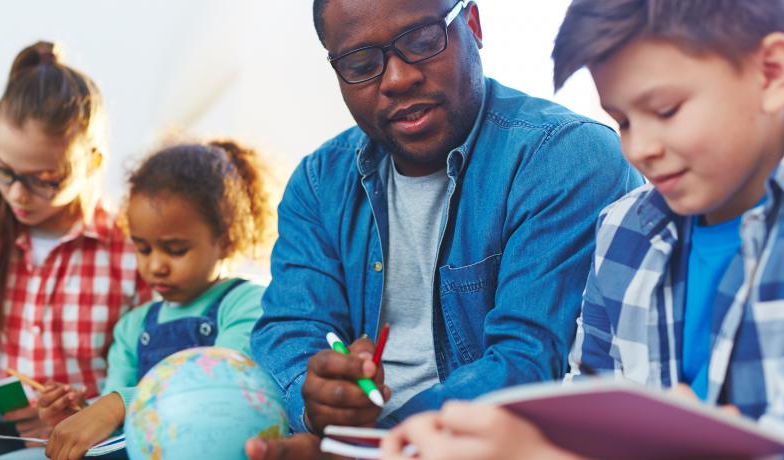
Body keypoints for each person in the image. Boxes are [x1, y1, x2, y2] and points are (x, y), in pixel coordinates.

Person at [378, 0, 784, 458]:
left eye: (667, 110)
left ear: (770, 72)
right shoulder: (624, 233)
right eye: (623, 121)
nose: (640, 149)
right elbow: (591, 425)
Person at [247, 0, 641, 456]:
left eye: (421, 41)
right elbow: (291, 330)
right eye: (361, 64)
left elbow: (530, 364)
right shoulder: (318, 184)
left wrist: (367, 447)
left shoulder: (566, 157)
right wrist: (318, 404)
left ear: (472, 25)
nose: (397, 79)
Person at [0, 41, 150, 459]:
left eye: (42, 179)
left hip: (85, 440)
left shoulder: (130, 248)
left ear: (92, 162)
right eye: (4, 170)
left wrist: (83, 410)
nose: (16, 194)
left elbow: (151, 372)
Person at [37, 140, 272, 460]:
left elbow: (221, 384)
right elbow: (116, 419)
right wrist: (79, 414)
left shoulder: (247, 303)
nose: (155, 265)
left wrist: (116, 404)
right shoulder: (132, 326)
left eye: (176, 250)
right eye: (143, 249)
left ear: (226, 240)